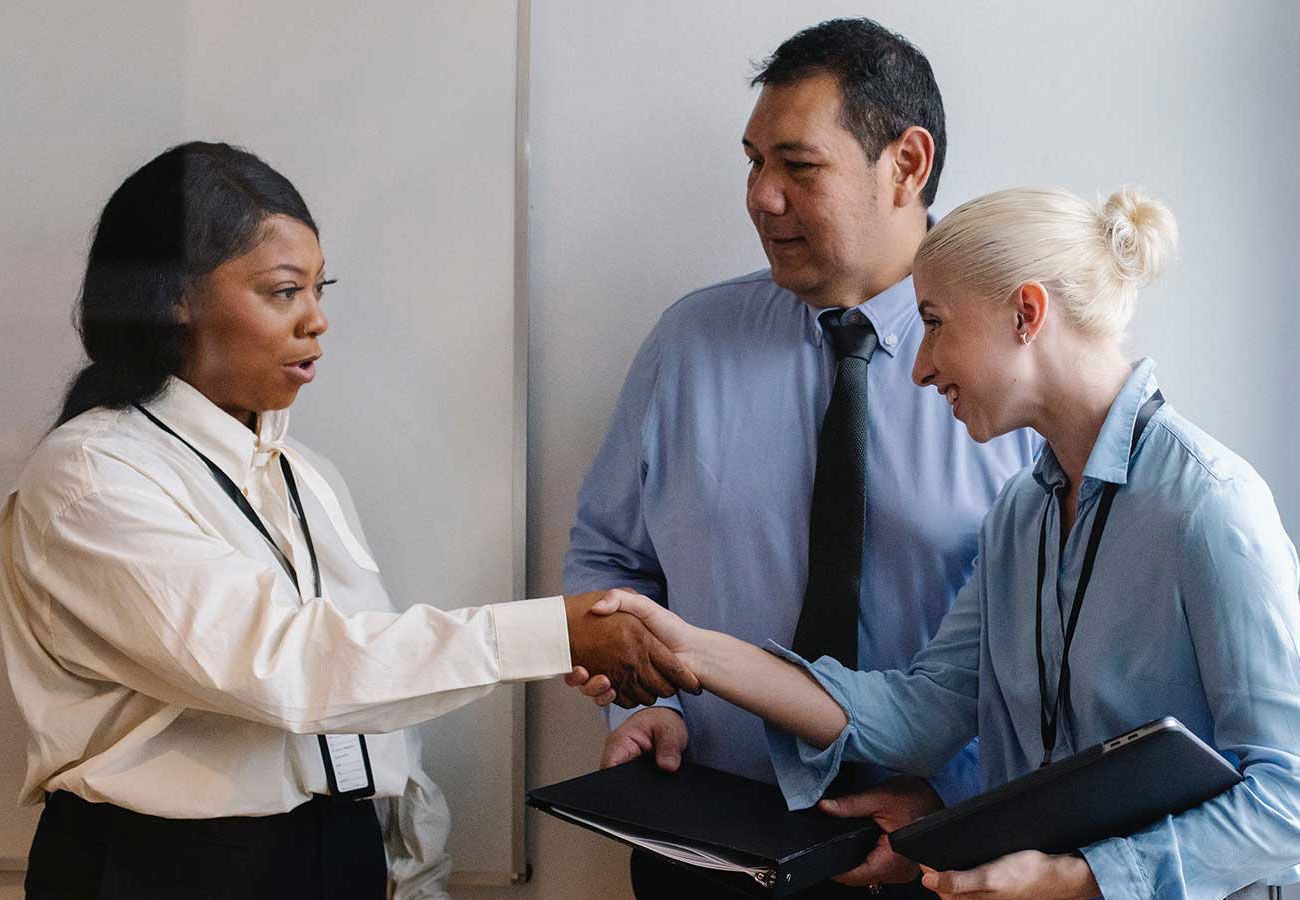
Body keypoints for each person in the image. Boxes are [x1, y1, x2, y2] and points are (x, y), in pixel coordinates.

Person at [0, 141, 698, 900]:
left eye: (319, 289)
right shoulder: (90, 477)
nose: (317, 321)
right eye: (282, 292)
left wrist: (414, 872)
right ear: (176, 297)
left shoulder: (306, 474)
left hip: (332, 856)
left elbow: (370, 701)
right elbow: (290, 666)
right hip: (164, 870)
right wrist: (556, 632)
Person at [576, 186, 1300, 899]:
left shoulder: (1212, 510)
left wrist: (1081, 880)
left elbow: (1288, 802)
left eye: (934, 323)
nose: (919, 368)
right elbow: (922, 717)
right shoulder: (1023, 515)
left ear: (1026, 314)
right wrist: (686, 650)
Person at [563, 18, 1036, 898]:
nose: (761, 196)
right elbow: (607, 563)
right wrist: (650, 702)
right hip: (704, 837)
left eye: (798, 166)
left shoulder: (1011, 372)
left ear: (907, 163)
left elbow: (1050, 652)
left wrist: (958, 806)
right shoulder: (688, 343)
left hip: (938, 857)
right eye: (753, 162)